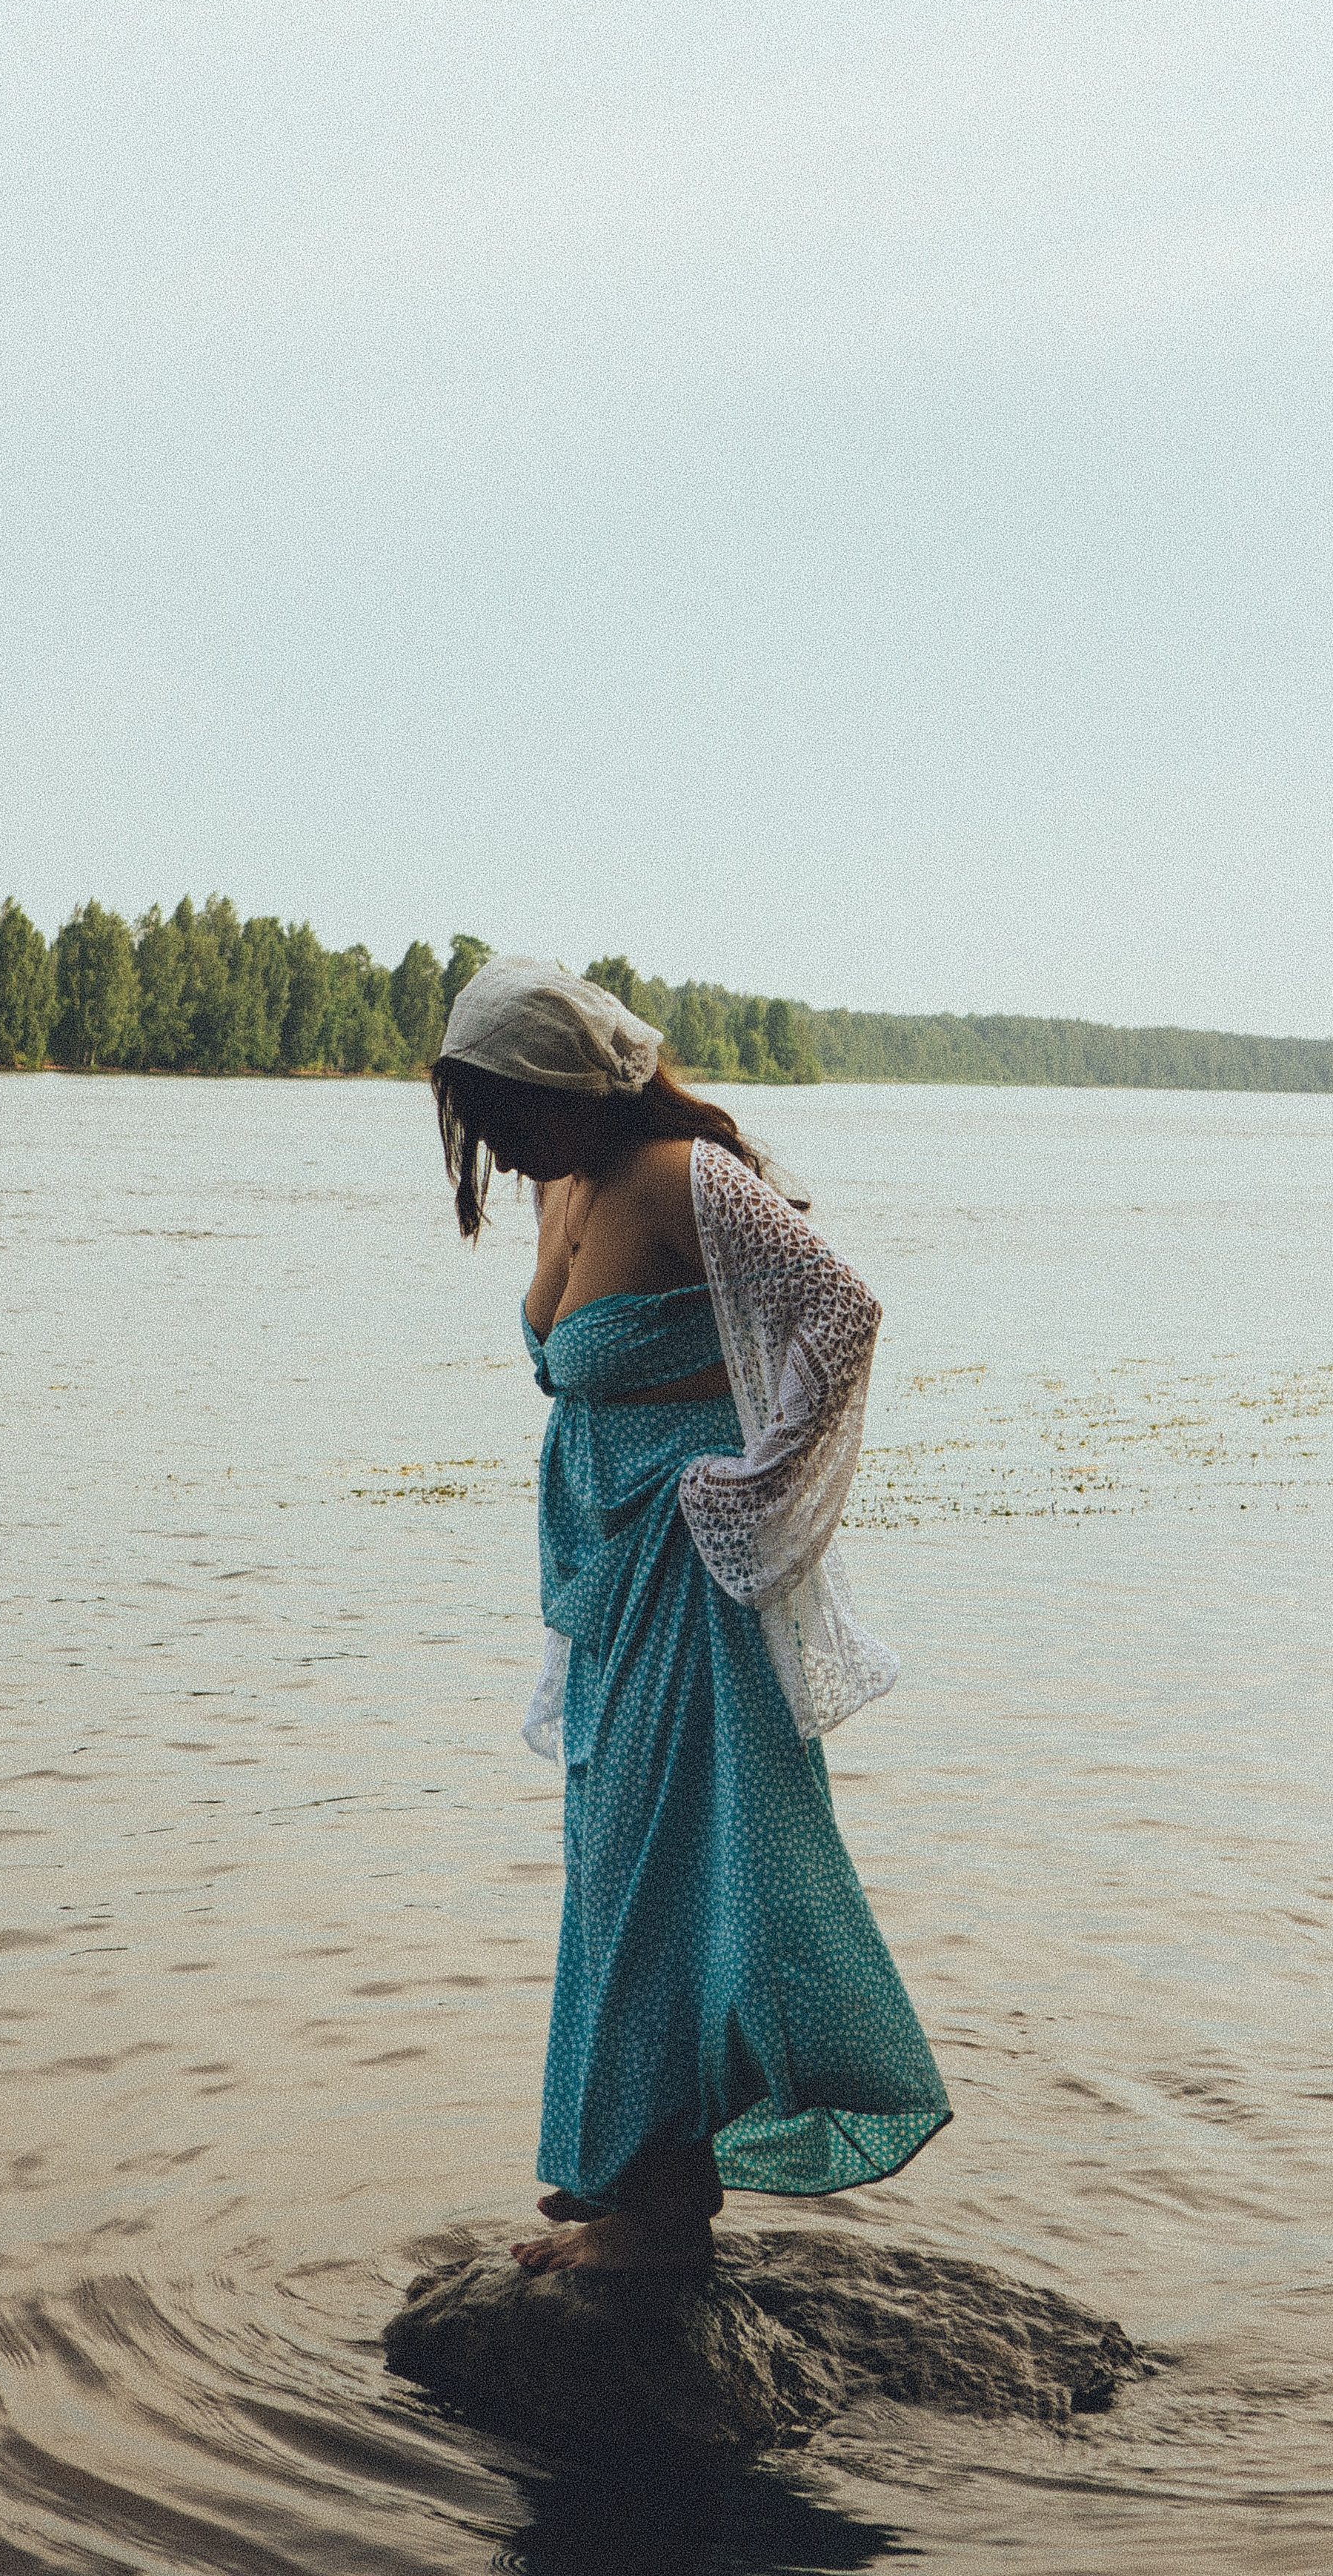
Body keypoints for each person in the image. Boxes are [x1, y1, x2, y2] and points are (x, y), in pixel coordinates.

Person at [432, 957, 950, 2274]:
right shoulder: (566, 1182)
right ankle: (635, 2174)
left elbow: (842, 1313)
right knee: (617, 1866)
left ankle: (663, 2218)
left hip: (689, 1582)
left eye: (500, 1104)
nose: (487, 1138)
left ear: (564, 1083)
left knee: (670, 1873)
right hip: (609, 1589)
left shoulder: (681, 1178)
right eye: (469, 1109)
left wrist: (748, 1489)